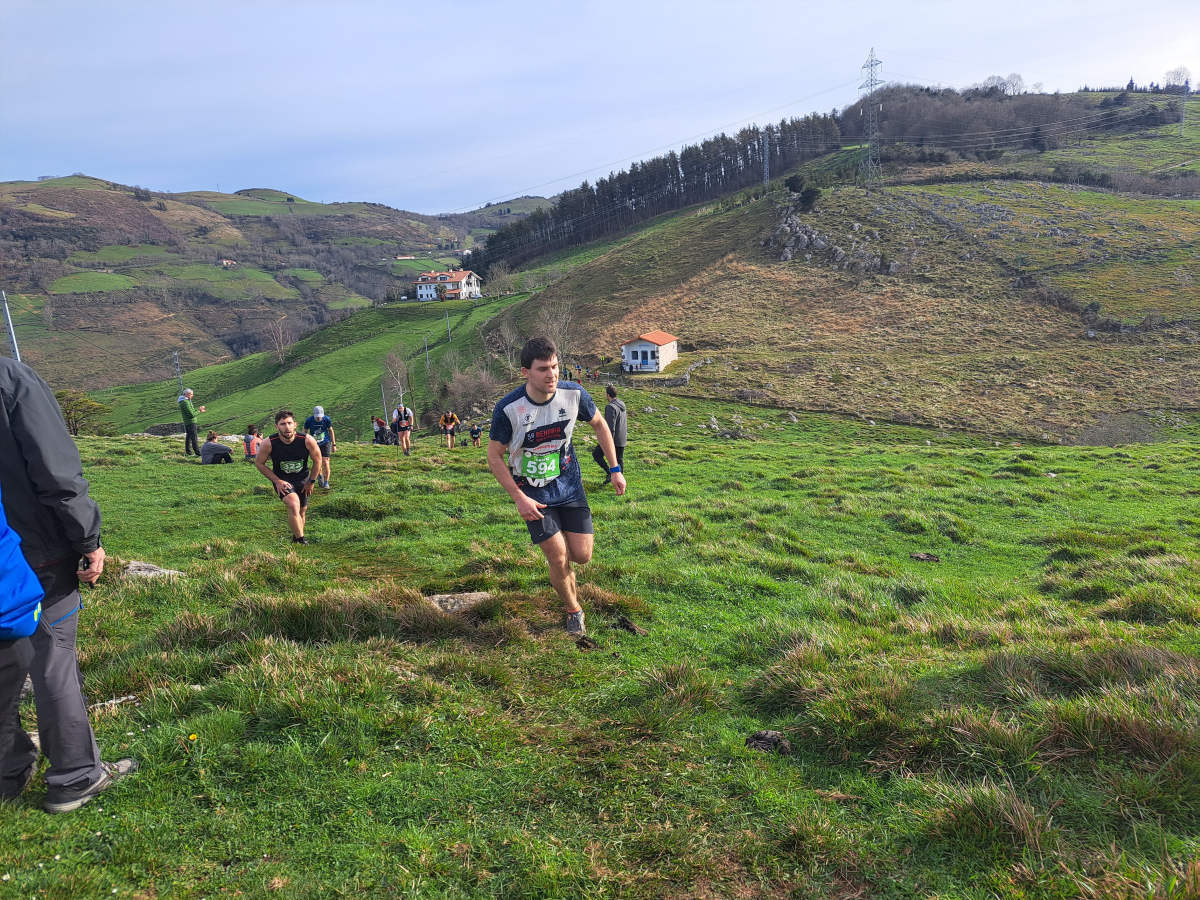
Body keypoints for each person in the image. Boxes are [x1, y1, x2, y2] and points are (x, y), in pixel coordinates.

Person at [0, 357, 137, 813]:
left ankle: (10, 767)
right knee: (52, 654)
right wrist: (87, 539)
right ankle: (75, 774)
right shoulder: (10, 379)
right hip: (30, 550)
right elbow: (56, 473)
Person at [487, 337, 626, 637]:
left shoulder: (573, 394)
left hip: (569, 485)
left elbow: (600, 425)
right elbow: (493, 456)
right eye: (542, 369)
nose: (551, 375)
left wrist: (615, 469)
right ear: (525, 372)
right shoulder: (509, 409)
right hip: (533, 493)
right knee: (558, 556)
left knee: (582, 555)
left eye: (554, 367)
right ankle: (574, 610)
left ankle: (562, 556)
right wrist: (518, 498)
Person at [255, 410, 322, 544]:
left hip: (303, 479)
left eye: (290, 423)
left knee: (302, 510)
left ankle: (296, 537)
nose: (287, 427)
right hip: (282, 480)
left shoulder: (307, 440)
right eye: (283, 424)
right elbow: (259, 463)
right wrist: (277, 481)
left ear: (295, 424)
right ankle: (301, 540)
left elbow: (318, 460)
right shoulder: (268, 443)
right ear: (276, 426)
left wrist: (312, 481)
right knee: (293, 504)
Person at [591, 385, 627, 483]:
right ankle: (620, 481)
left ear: (607, 394)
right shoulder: (621, 404)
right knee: (619, 459)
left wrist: (606, 440)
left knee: (596, 454)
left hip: (613, 439)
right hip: (622, 438)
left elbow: (610, 427)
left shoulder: (610, 407)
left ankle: (609, 473)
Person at [304, 405, 336, 489]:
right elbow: (305, 432)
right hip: (314, 443)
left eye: (320, 417)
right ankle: (320, 475)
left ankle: (326, 483)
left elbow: (331, 430)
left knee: (325, 462)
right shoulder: (309, 420)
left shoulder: (326, 419)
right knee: (317, 462)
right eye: (317, 417)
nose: (319, 418)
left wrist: (334, 444)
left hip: (325, 442)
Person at [178, 388, 206, 457]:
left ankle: (188, 452)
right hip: (190, 422)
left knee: (189, 437)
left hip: (188, 422)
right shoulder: (185, 402)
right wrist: (200, 411)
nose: (192, 396)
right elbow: (191, 414)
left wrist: (198, 410)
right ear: (187, 394)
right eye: (191, 394)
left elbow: (191, 412)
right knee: (194, 437)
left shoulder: (185, 401)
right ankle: (198, 453)